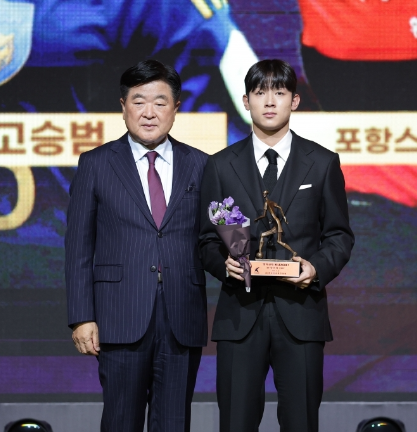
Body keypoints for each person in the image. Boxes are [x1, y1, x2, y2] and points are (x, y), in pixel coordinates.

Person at [199, 59, 355, 431]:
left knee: (301, 422)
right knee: (235, 422)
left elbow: (339, 235)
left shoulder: (322, 163)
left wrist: (316, 268)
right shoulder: (220, 165)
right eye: (260, 93)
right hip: (239, 317)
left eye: (280, 93)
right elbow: (206, 239)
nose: (270, 102)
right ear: (245, 101)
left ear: (295, 101)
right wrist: (224, 264)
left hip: (301, 314)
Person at [65, 60, 208, 432]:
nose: (149, 112)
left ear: (176, 108)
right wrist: (81, 316)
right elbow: (78, 247)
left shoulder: (201, 165)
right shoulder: (96, 164)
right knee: (120, 421)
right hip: (119, 315)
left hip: (181, 315)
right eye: (139, 101)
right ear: (123, 106)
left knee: (174, 422)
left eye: (160, 102)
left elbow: (217, 236)